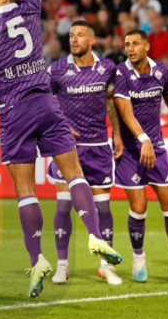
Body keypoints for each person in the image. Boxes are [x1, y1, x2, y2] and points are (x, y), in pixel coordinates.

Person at [0, 0, 121, 300]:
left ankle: (38, 259)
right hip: (46, 104)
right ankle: (95, 236)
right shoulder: (29, 8)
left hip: (14, 111)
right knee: (75, 174)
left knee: (26, 191)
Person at [113, 29, 168, 284]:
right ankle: (138, 260)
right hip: (131, 151)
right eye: (127, 44)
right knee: (138, 208)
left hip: (156, 148)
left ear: (147, 46)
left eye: (135, 43)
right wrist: (143, 139)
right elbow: (126, 113)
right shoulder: (121, 73)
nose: (130, 48)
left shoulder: (162, 71)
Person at [47, 21, 124, 286]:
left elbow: (111, 102)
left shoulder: (107, 68)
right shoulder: (57, 69)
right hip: (66, 148)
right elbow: (45, 101)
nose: (74, 39)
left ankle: (105, 265)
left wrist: (117, 133)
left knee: (103, 207)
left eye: (80, 35)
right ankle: (62, 265)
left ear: (91, 40)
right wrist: (61, 125)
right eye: (71, 35)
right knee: (63, 205)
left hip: (98, 147)